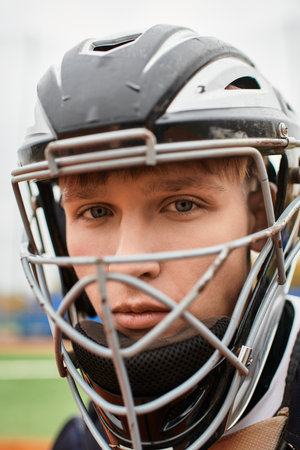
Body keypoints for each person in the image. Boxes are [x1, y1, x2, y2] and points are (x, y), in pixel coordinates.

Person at [12, 24, 300, 449]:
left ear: (261, 216)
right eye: (95, 211)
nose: (127, 264)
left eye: (182, 204)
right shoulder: (79, 442)